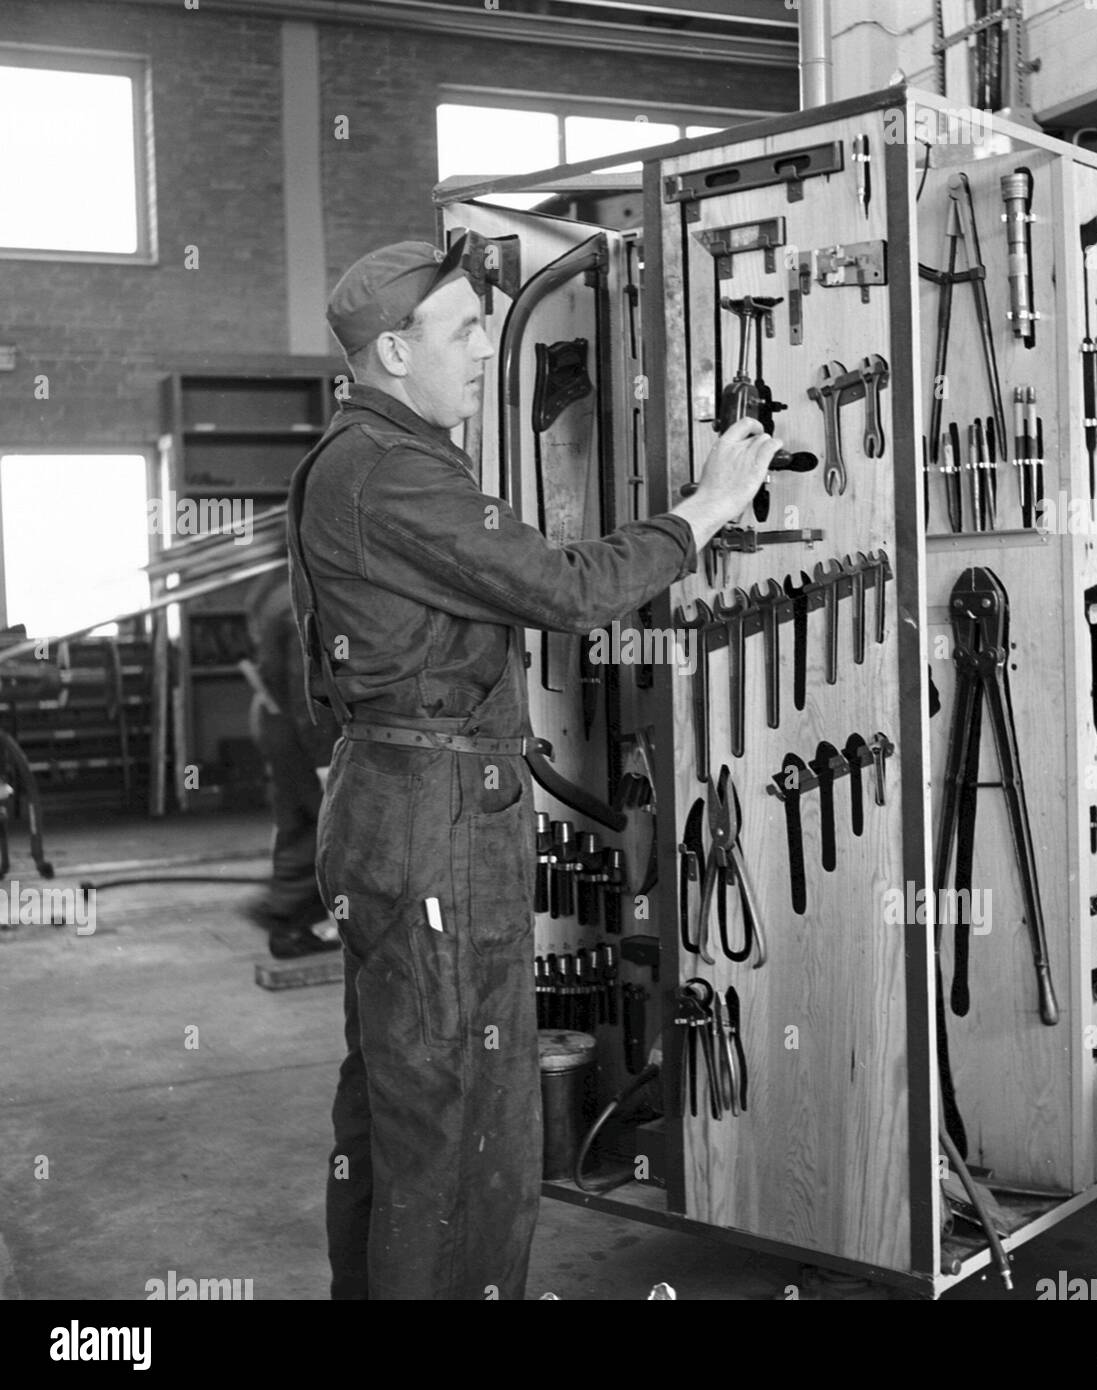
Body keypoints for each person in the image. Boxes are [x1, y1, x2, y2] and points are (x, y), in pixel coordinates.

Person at [287, 234, 774, 1300]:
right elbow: (557, 587)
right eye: (463, 331)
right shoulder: (389, 470)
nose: (483, 350)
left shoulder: (370, 455)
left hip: (404, 803)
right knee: (462, 1124)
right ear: (391, 352)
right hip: (432, 825)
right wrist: (703, 511)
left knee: (396, 1104)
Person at [242, 571, 340, 959]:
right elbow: (305, 687)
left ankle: (287, 925)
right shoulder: (303, 601)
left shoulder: (278, 590)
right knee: (322, 825)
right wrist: (321, 758)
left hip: (278, 723)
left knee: (297, 823)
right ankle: (287, 918)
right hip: (299, 732)